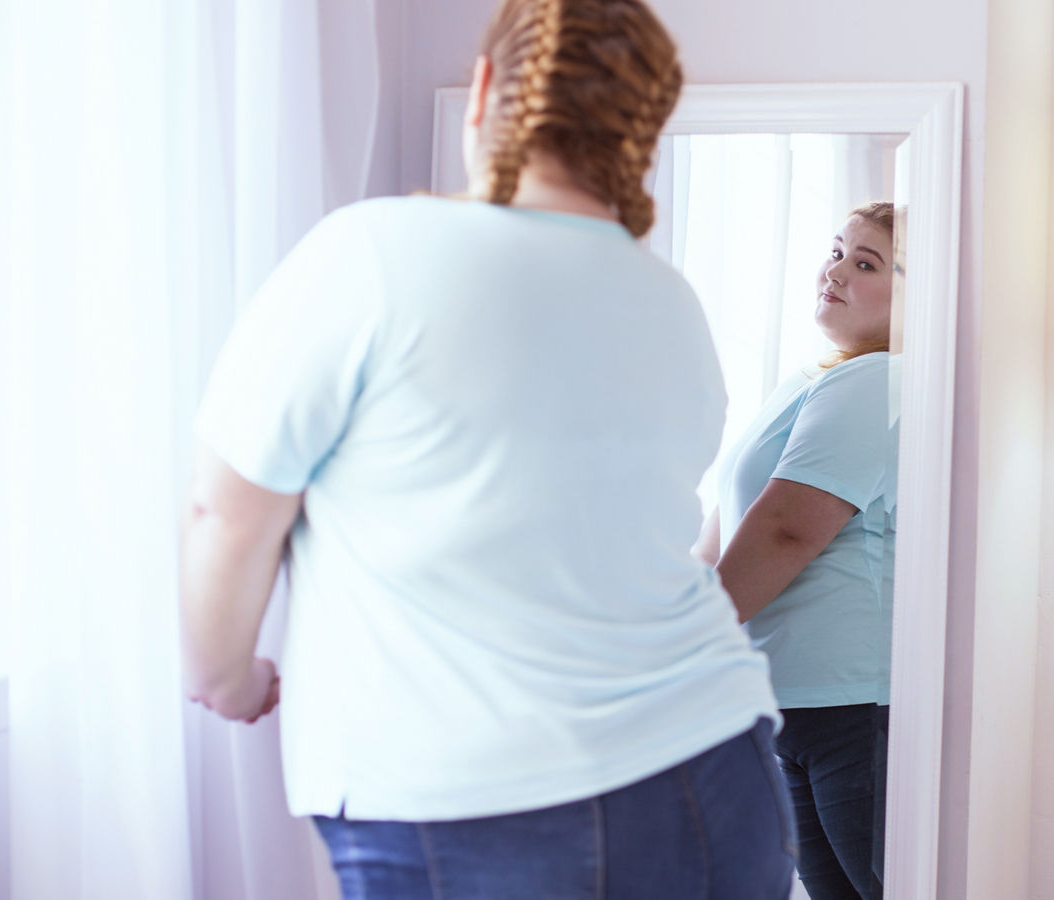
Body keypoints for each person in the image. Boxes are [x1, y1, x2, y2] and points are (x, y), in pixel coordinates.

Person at [177, 1, 795, 897]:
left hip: (469, 803)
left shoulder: (373, 253)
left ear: (484, 92)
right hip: (719, 772)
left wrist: (226, 679)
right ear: (641, 130)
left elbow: (225, 514)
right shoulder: (670, 300)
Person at [696, 202, 899, 900]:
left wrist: (682, 649)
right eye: (839, 250)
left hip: (851, 707)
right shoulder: (810, 382)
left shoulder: (881, 378)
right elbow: (723, 532)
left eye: (865, 263)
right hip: (789, 707)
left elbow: (789, 528)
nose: (836, 270)